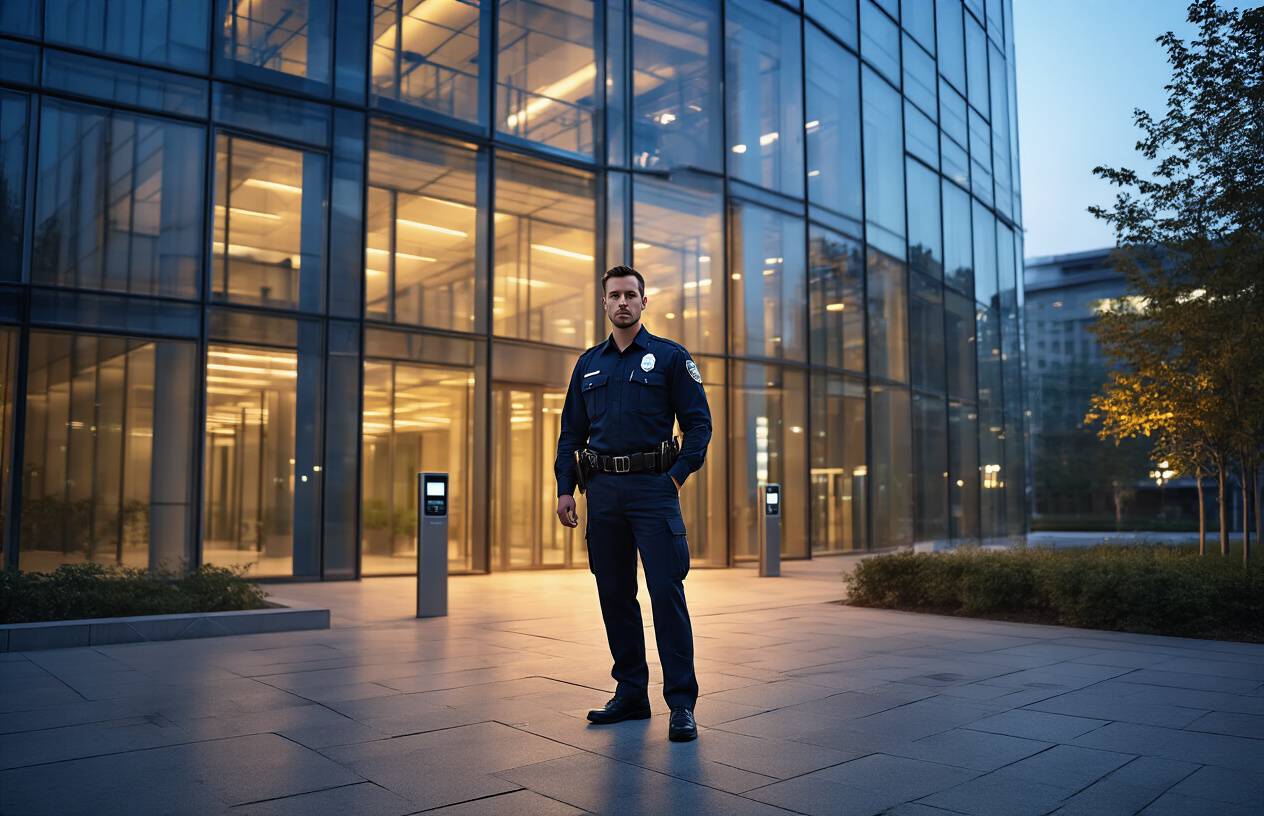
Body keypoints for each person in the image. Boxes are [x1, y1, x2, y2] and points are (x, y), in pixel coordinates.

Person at [555, 265, 712, 743]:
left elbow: (699, 425)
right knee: (614, 594)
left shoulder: (669, 358)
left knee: (666, 594)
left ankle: (681, 704)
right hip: (601, 493)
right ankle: (631, 693)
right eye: (614, 296)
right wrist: (565, 487)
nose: (622, 302)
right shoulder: (588, 364)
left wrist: (675, 479)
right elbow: (570, 433)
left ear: (644, 302)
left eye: (630, 295)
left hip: (653, 490)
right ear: (604, 304)